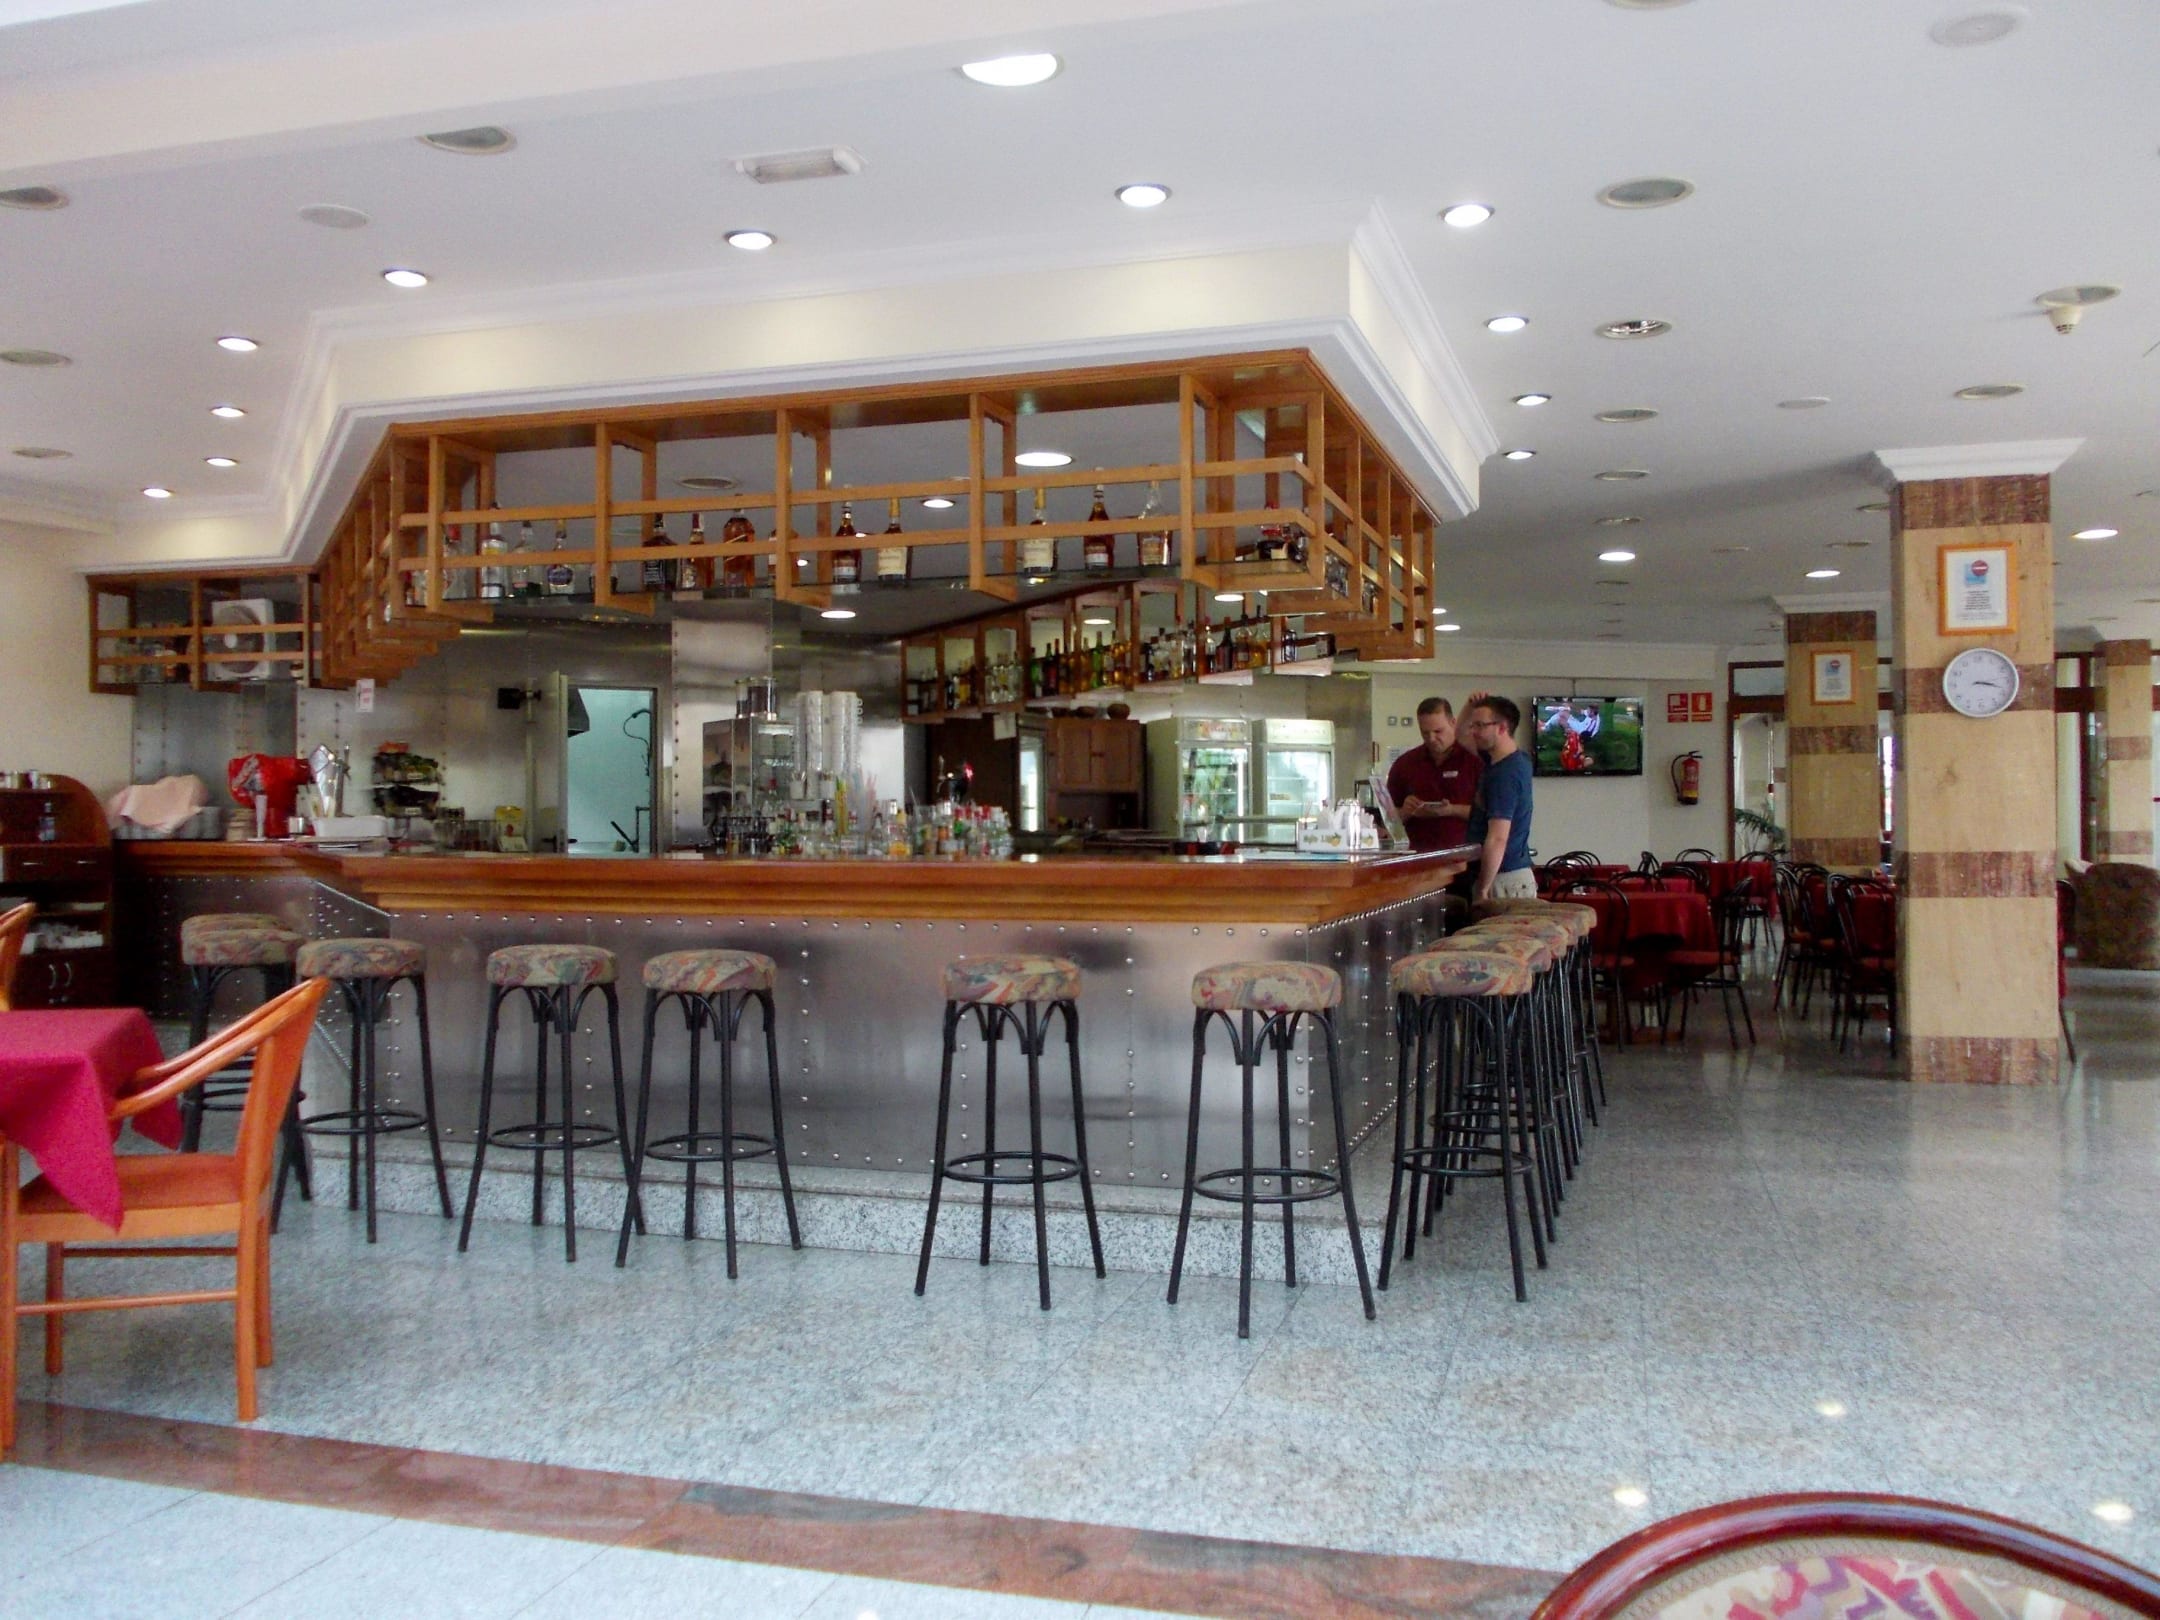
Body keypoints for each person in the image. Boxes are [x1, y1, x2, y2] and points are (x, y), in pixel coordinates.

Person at [1384, 696, 1482, 853]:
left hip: (1464, 856)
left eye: (1438, 731)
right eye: (1425, 733)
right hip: (1417, 857)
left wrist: (1452, 810)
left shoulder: (1475, 761)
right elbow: (1388, 819)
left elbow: (1491, 814)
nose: (1432, 738)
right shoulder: (1405, 764)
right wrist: (1405, 812)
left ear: (1453, 723)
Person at [1463, 694, 1535, 901]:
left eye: (1480, 725)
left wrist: (1483, 888)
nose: (1474, 731)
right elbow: (1461, 738)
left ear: (1502, 728)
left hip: (1503, 879)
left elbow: (1498, 837)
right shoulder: (1513, 760)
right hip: (1510, 875)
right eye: (1473, 725)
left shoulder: (1504, 774)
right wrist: (1469, 707)